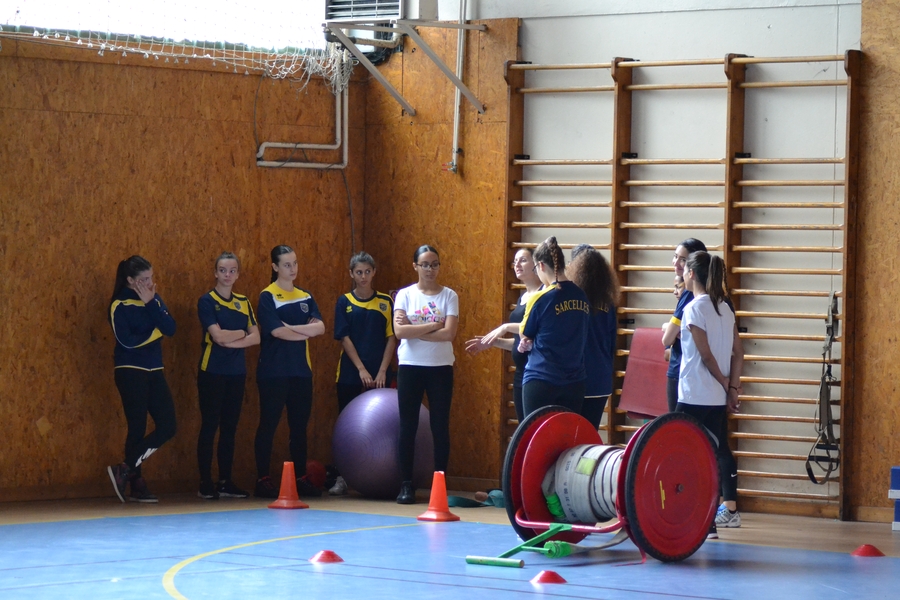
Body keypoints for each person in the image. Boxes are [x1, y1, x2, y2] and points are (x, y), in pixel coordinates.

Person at [676, 250, 744, 538]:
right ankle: (709, 523)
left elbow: (705, 356)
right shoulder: (726, 309)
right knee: (711, 458)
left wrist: (725, 382)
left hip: (693, 396)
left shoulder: (694, 308)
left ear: (691, 274)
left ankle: (685, 516)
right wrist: (732, 388)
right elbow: (739, 352)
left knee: (680, 458)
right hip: (715, 399)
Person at [254, 245, 325, 499]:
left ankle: (300, 479)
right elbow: (276, 331)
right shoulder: (267, 296)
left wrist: (290, 328)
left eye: (294, 263)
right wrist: (302, 330)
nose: (292, 269)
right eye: (286, 264)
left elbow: (321, 328)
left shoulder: (305, 296)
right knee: (269, 425)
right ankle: (262, 478)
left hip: (301, 372)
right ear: (274, 267)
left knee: (299, 427)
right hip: (273, 372)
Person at [106, 255, 177, 503]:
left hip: (154, 370)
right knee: (136, 427)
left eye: (151, 278)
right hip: (129, 370)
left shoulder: (153, 299)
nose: (149, 283)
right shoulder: (119, 304)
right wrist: (155, 330)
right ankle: (137, 482)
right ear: (129, 280)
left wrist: (151, 304)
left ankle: (125, 468)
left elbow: (170, 328)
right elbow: (127, 341)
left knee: (168, 425)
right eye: (143, 279)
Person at [393, 245, 459, 504]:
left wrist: (415, 328)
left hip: (440, 368)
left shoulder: (449, 296)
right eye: (425, 264)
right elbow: (400, 333)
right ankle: (406, 485)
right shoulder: (405, 295)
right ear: (415, 266)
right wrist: (433, 325)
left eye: (434, 264)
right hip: (410, 366)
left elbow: (449, 334)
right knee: (407, 426)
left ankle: (439, 483)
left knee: (439, 426)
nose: (430, 269)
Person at [195, 252, 260, 500]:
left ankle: (225, 480)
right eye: (223, 270)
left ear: (238, 274)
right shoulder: (207, 301)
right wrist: (240, 335)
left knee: (229, 428)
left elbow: (257, 337)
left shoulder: (243, 302)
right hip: (211, 371)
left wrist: (230, 338)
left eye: (232, 270)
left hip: (236, 374)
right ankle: (205, 482)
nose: (227, 275)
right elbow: (217, 336)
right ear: (215, 273)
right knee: (210, 426)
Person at [331, 251, 396, 495]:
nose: (363, 276)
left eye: (367, 272)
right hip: (350, 372)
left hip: (380, 373)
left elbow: (392, 337)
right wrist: (360, 369)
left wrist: (381, 371)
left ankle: (387, 476)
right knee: (346, 426)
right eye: (358, 272)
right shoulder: (344, 301)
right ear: (351, 274)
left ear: (374, 272)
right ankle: (342, 477)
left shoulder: (385, 302)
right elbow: (344, 338)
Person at [465, 248, 542, 423]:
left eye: (523, 260)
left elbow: (537, 331)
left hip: (537, 374)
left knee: (534, 427)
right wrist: (493, 342)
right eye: (515, 261)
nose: (517, 264)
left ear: (536, 264)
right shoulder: (523, 297)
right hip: (521, 372)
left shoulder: (543, 296)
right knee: (524, 427)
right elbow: (518, 342)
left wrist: (505, 327)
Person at [518, 236, 590, 417]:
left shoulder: (541, 298)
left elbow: (525, 333)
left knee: (534, 439)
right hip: (574, 383)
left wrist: (526, 341)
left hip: (542, 379)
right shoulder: (581, 296)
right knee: (568, 441)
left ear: (541, 266)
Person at [567, 247, 619, 430]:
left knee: (570, 434)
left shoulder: (571, 301)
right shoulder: (608, 302)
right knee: (589, 434)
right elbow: (612, 342)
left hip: (576, 378)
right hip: (601, 377)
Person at [662, 238, 708, 412]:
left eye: (683, 259)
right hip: (700, 376)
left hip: (682, 372)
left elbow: (666, 339)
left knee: (679, 429)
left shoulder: (690, 295)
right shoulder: (712, 294)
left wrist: (668, 328)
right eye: (675, 257)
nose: (677, 262)